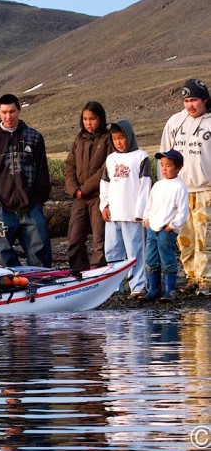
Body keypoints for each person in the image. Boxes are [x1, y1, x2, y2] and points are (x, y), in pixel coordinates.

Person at [0, 93, 52, 268]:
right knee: (4, 255)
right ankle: (12, 289)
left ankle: (42, 287)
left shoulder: (34, 137)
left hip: (31, 206)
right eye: (4, 112)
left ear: (19, 110)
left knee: (40, 252)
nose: (8, 116)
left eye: (12, 111)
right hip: (1, 208)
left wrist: (39, 198)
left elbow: (42, 170)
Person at [159, 78, 211, 295]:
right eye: (186, 100)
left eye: (194, 100)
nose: (190, 105)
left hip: (206, 189)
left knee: (205, 236)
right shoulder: (175, 122)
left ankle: (206, 278)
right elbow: (164, 155)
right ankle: (191, 276)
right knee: (184, 237)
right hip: (180, 189)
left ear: (205, 100)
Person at [99, 119, 151, 298]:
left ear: (129, 136)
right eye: (114, 139)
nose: (118, 142)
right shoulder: (111, 159)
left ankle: (138, 285)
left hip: (132, 215)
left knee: (135, 251)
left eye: (121, 138)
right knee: (112, 251)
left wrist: (140, 212)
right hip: (113, 215)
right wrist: (104, 205)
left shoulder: (141, 157)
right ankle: (114, 286)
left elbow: (145, 185)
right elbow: (105, 183)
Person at [64, 101, 112, 271]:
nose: (88, 123)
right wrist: (73, 189)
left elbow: (106, 168)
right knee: (74, 239)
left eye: (92, 119)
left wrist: (84, 189)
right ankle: (79, 273)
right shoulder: (79, 140)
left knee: (99, 240)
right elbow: (70, 166)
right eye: (85, 119)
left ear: (100, 118)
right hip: (79, 198)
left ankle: (98, 275)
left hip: (99, 197)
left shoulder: (108, 139)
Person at [141, 150, 189, 302]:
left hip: (166, 230)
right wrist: (146, 219)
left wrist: (172, 226)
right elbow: (150, 204)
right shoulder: (158, 185)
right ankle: (153, 289)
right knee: (150, 258)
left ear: (178, 167)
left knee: (167, 259)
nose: (164, 169)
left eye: (168, 166)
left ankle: (170, 290)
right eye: (162, 165)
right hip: (152, 228)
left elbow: (182, 211)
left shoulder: (180, 187)